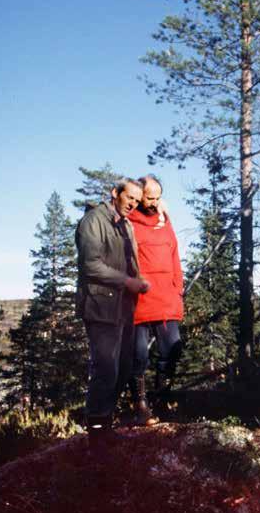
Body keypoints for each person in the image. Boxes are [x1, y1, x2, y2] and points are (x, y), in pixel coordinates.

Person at [76, 178, 149, 441]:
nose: (133, 204)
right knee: (105, 367)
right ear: (114, 193)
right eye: (129, 197)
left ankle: (105, 421)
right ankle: (96, 430)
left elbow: (132, 263)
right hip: (99, 305)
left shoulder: (126, 225)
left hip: (123, 307)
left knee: (124, 367)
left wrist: (138, 285)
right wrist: (127, 282)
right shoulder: (93, 221)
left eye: (137, 201)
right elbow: (90, 265)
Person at [127, 175, 184, 425]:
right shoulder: (127, 222)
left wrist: (177, 287)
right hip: (138, 297)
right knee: (138, 354)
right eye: (149, 197)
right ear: (139, 197)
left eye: (158, 197)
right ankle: (140, 405)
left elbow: (174, 253)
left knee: (173, 347)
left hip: (166, 297)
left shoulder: (165, 220)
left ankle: (163, 401)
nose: (154, 202)